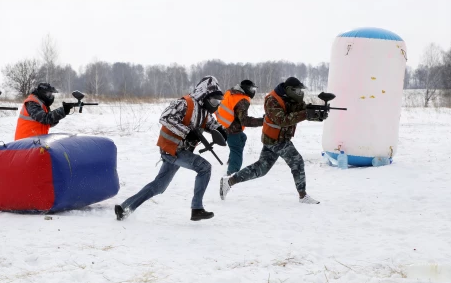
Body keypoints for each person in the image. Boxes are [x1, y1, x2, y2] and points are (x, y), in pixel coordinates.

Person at [114, 76, 228, 221]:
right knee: (204, 167)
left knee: (159, 186)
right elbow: (165, 117)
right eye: (213, 101)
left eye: (218, 102)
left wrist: (221, 131)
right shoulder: (185, 104)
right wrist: (188, 132)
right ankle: (197, 209)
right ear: (204, 95)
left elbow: (212, 124)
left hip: (180, 151)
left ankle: (125, 208)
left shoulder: (205, 112)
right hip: (171, 149)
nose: (215, 104)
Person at [219, 77, 325, 204]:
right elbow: (282, 120)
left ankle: (229, 181)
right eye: (297, 90)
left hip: (276, 138)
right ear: (289, 89)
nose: (300, 93)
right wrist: (306, 114)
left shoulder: (292, 98)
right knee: (297, 162)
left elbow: (302, 110)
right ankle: (303, 196)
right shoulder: (272, 100)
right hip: (275, 139)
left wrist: (317, 115)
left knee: (261, 169)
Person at [215, 79, 264, 175]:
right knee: (236, 150)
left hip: (223, 125)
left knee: (243, 138)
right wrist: (263, 121)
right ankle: (232, 174)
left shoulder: (231, 93)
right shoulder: (242, 100)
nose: (253, 91)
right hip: (232, 129)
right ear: (246, 89)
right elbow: (245, 120)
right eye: (251, 89)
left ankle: (231, 160)